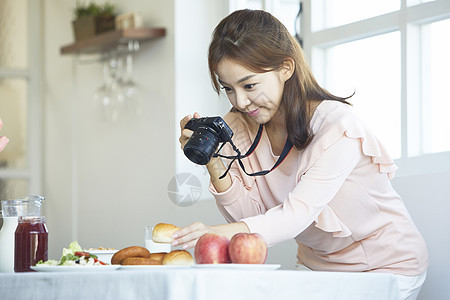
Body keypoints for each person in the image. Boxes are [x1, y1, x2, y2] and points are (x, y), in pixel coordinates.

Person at [175, 9, 428, 300]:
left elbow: (295, 217)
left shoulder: (338, 128)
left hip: (386, 268)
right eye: (228, 89)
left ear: (285, 67)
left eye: (249, 85)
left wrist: (214, 232)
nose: (240, 102)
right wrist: (213, 161)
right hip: (318, 268)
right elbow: (251, 221)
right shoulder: (240, 126)